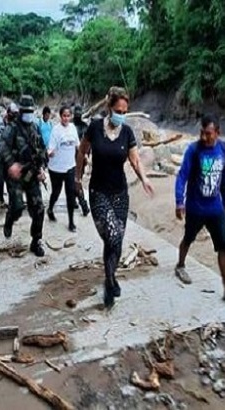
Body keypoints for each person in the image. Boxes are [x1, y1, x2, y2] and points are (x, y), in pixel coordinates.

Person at [76, 88, 154, 309]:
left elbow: (135, 161)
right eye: (118, 110)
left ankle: (109, 280)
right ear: (109, 108)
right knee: (111, 236)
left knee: (116, 240)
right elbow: (82, 152)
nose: (121, 114)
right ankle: (110, 279)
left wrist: (145, 179)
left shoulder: (128, 132)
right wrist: (77, 177)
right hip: (98, 192)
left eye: (124, 111)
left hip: (120, 194)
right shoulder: (94, 128)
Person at [174, 114, 225, 308]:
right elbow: (182, 176)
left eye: (208, 134)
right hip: (195, 207)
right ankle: (180, 265)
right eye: (202, 133)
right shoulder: (194, 150)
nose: (204, 138)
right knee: (188, 238)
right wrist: (180, 202)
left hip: (215, 208)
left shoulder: (224, 149)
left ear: (217, 133)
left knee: (224, 247)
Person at [0, 95, 49, 257]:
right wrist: (11, 164)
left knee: (39, 209)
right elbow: (2, 148)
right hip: (17, 177)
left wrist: (42, 168)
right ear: (20, 111)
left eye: (30, 111)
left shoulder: (35, 127)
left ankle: (36, 241)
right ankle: (10, 219)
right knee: (18, 207)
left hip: (32, 175)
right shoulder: (12, 128)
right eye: (25, 111)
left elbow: (42, 150)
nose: (28, 114)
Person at [46, 106, 79, 232]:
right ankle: (50, 208)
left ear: (70, 116)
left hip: (70, 167)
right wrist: (50, 153)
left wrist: (84, 155)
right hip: (56, 168)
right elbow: (51, 147)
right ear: (60, 116)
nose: (66, 118)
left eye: (68, 116)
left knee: (70, 195)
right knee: (56, 191)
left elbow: (78, 145)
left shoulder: (73, 128)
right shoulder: (56, 130)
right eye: (64, 116)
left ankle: (71, 222)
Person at [0, 103, 19, 204]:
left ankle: (11, 199)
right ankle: (1, 198)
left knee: (11, 178)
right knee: (1, 177)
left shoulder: (16, 125)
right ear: (8, 113)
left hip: (12, 157)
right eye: (12, 114)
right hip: (1, 156)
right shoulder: (0, 124)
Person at [71, 105, 90, 216]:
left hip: (81, 158)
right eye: (76, 112)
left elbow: (89, 143)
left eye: (79, 112)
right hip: (70, 158)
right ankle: (83, 205)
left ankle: (75, 200)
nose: (78, 114)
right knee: (75, 180)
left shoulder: (85, 126)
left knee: (77, 179)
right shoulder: (70, 126)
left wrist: (87, 155)